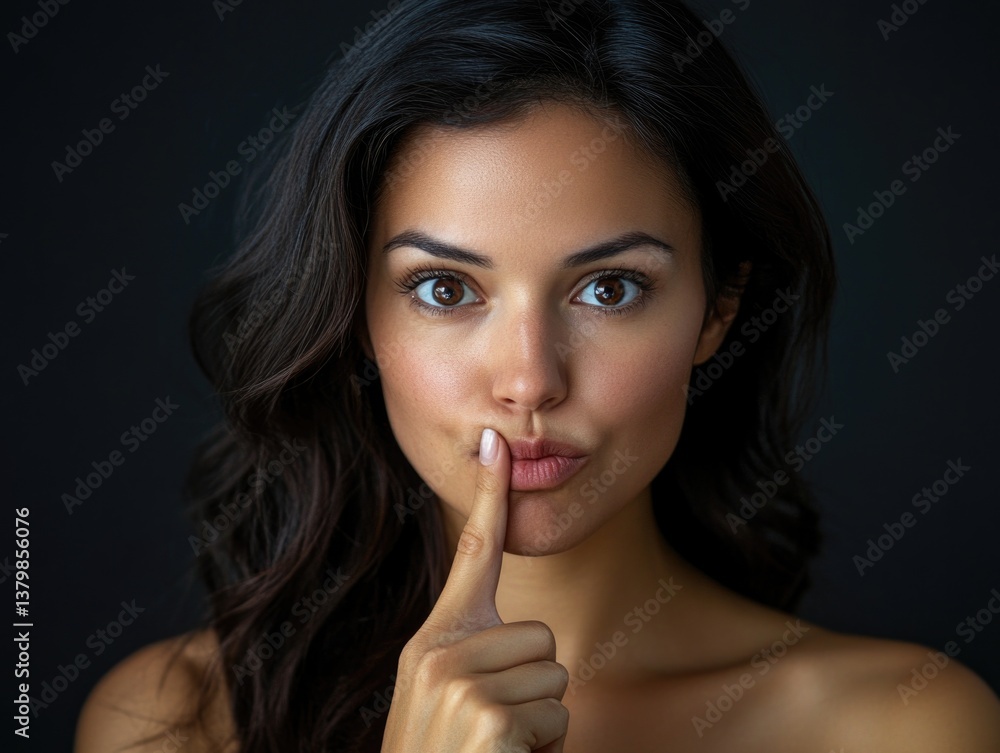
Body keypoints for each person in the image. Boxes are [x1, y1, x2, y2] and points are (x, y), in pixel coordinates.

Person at [74, 1, 1000, 751]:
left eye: (609, 287)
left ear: (717, 309)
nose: (529, 380)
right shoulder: (177, 720)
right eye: (444, 288)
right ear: (355, 315)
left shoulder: (906, 725)